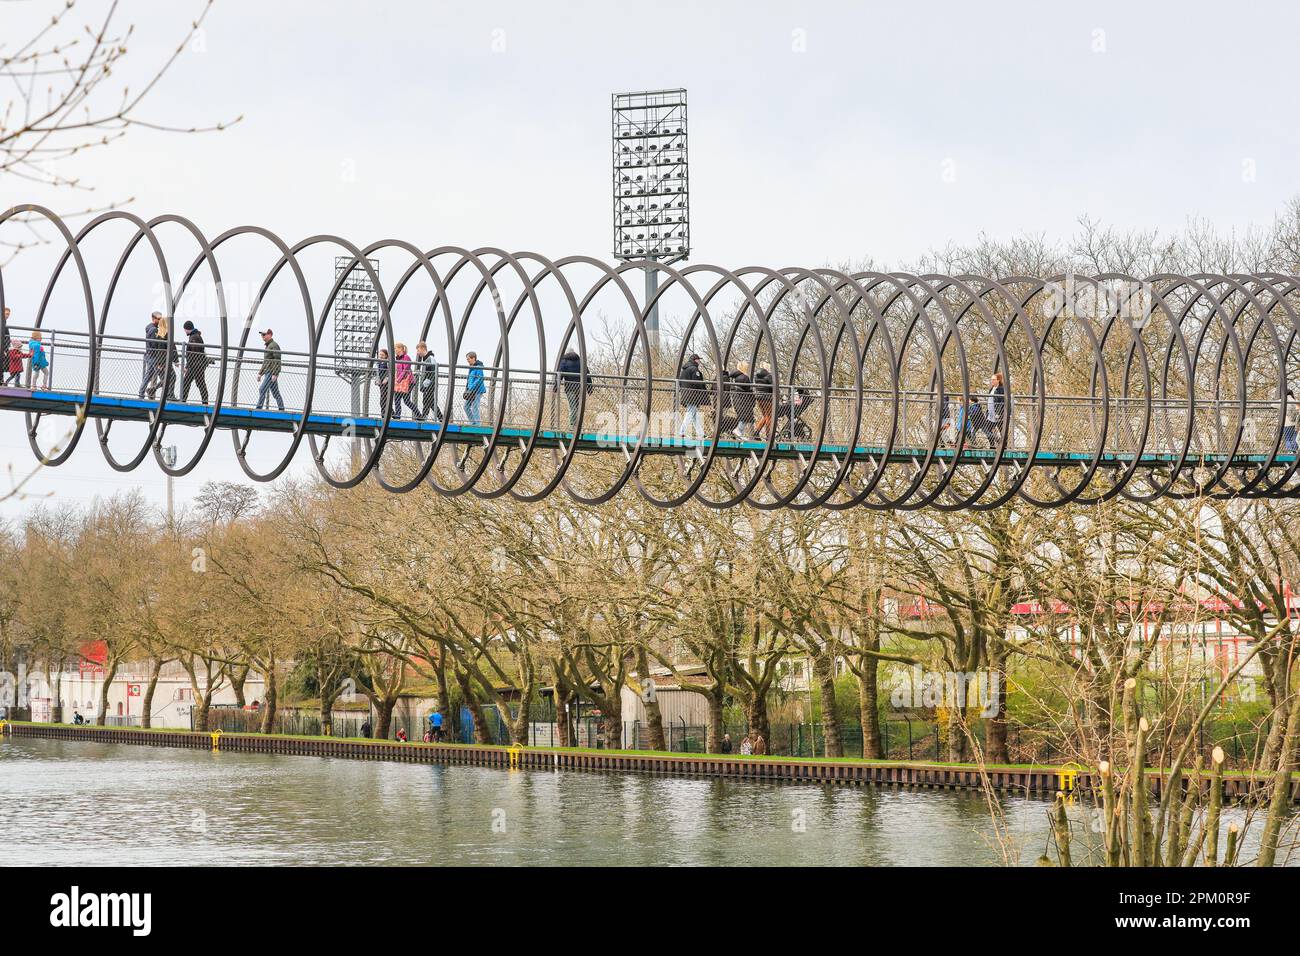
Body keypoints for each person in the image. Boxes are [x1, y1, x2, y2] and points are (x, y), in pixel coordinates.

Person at [677, 353, 708, 440]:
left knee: (694, 415)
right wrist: (704, 391)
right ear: (695, 360)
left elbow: (680, 382)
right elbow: (698, 383)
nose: (699, 361)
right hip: (693, 395)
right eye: (698, 359)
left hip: (686, 394)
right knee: (690, 413)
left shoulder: (684, 370)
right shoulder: (694, 369)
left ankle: (701, 433)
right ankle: (682, 432)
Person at [180, 320, 211, 403]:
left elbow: (193, 354)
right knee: (198, 383)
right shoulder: (195, 336)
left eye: (185, 329)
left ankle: (183, 400)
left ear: (187, 329)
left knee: (193, 383)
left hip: (195, 365)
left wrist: (188, 366)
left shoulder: (194, 337)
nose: (184, 331)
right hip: (196, 365)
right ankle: (204, 401)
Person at [254, 329, 284, 411]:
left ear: (270, 335)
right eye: (262, 335)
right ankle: (281, 409)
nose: (262, 336)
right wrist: (260, 373)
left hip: (271, 372)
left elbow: (277, 360)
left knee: (262, 389)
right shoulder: (268, 346)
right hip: (269, 372)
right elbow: (266, 362)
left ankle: (258, 408)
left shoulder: (274, 345)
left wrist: (275, 373)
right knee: (275, 392)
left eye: (264, 334)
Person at [138, 312, 164, 399]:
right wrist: (158, 358)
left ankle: (141, 393)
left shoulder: (152, 328)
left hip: (150, 355)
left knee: (148, 375)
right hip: (153, 356)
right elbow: (154, 344)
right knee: (164, 377)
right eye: (158, 319)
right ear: (153, 319)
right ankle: (152, 390)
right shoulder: (154, 330)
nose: (160, 320)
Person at [414, 341, 441, 422]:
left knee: (427, 400)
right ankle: (440, 417)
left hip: (430, 384)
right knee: (430, 401)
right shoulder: (426, 359)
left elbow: (433, 373)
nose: (418, 353)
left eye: (418, 351)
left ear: (423, 349)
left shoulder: (430, 358)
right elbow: (427, 372)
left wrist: (425, 384)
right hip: (427, 384)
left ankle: (424, 416)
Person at [557, 348, 583, 429]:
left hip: (569, 388)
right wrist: (590, 387)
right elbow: (587, 373)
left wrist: (556, 386)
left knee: (572, 407)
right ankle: (577, 425)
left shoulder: (564, 361)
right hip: (579, 388)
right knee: (578, 407)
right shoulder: (581, 361)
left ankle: (572, 425)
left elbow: (560, 374)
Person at [393, 343, 419, 419]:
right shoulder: (398, 359)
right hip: (400, 383)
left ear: (400, 348)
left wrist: (398, 379)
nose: (395, 350)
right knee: (397, 398)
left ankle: (419, 415)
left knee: (406, 401)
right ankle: (397, 415)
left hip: (408, 382)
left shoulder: (406, 357)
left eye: (395, 348)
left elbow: (405, 370)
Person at [463, 351, 485, 425]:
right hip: (471, 391)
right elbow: (469, 379)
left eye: (468, 359)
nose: (468, 360)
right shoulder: (471, 367)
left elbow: (480, 378)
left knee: (475, 406)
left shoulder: (479, 367)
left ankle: (478, 425)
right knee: (466, 406)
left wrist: (472, 387)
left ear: (473, 358)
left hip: (477, 390)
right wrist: (467, 389)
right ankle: (473, 422)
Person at [753, 366, 775, 438]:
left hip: (759, 398)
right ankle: (768, 435)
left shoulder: (756, 376)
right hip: (768, 398)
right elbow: (773, 387)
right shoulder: (769, 376)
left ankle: (757, 431)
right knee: (769, 417)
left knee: (765, 416)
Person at [374, 348, 391, 415]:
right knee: (383, 399)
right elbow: (377, 373)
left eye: (382, 355)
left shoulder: (387, 362)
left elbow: (390, 372)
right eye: (380, 354)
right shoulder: (378, 363)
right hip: (381, 383)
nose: (381, 356)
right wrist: (377, 380)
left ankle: (384, 414)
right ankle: (388, 413)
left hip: (386, 383)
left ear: (386, 356)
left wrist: (386, 378)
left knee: (384, 399)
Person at [1286, 389, 1299, 453]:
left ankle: (1290, 451)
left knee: (1288, 438)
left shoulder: (1283, 401)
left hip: (1287, 423)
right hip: (1295, 423)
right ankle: (1295, 450)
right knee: (1294, 438)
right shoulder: (1295, 401)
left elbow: (1273, 405)